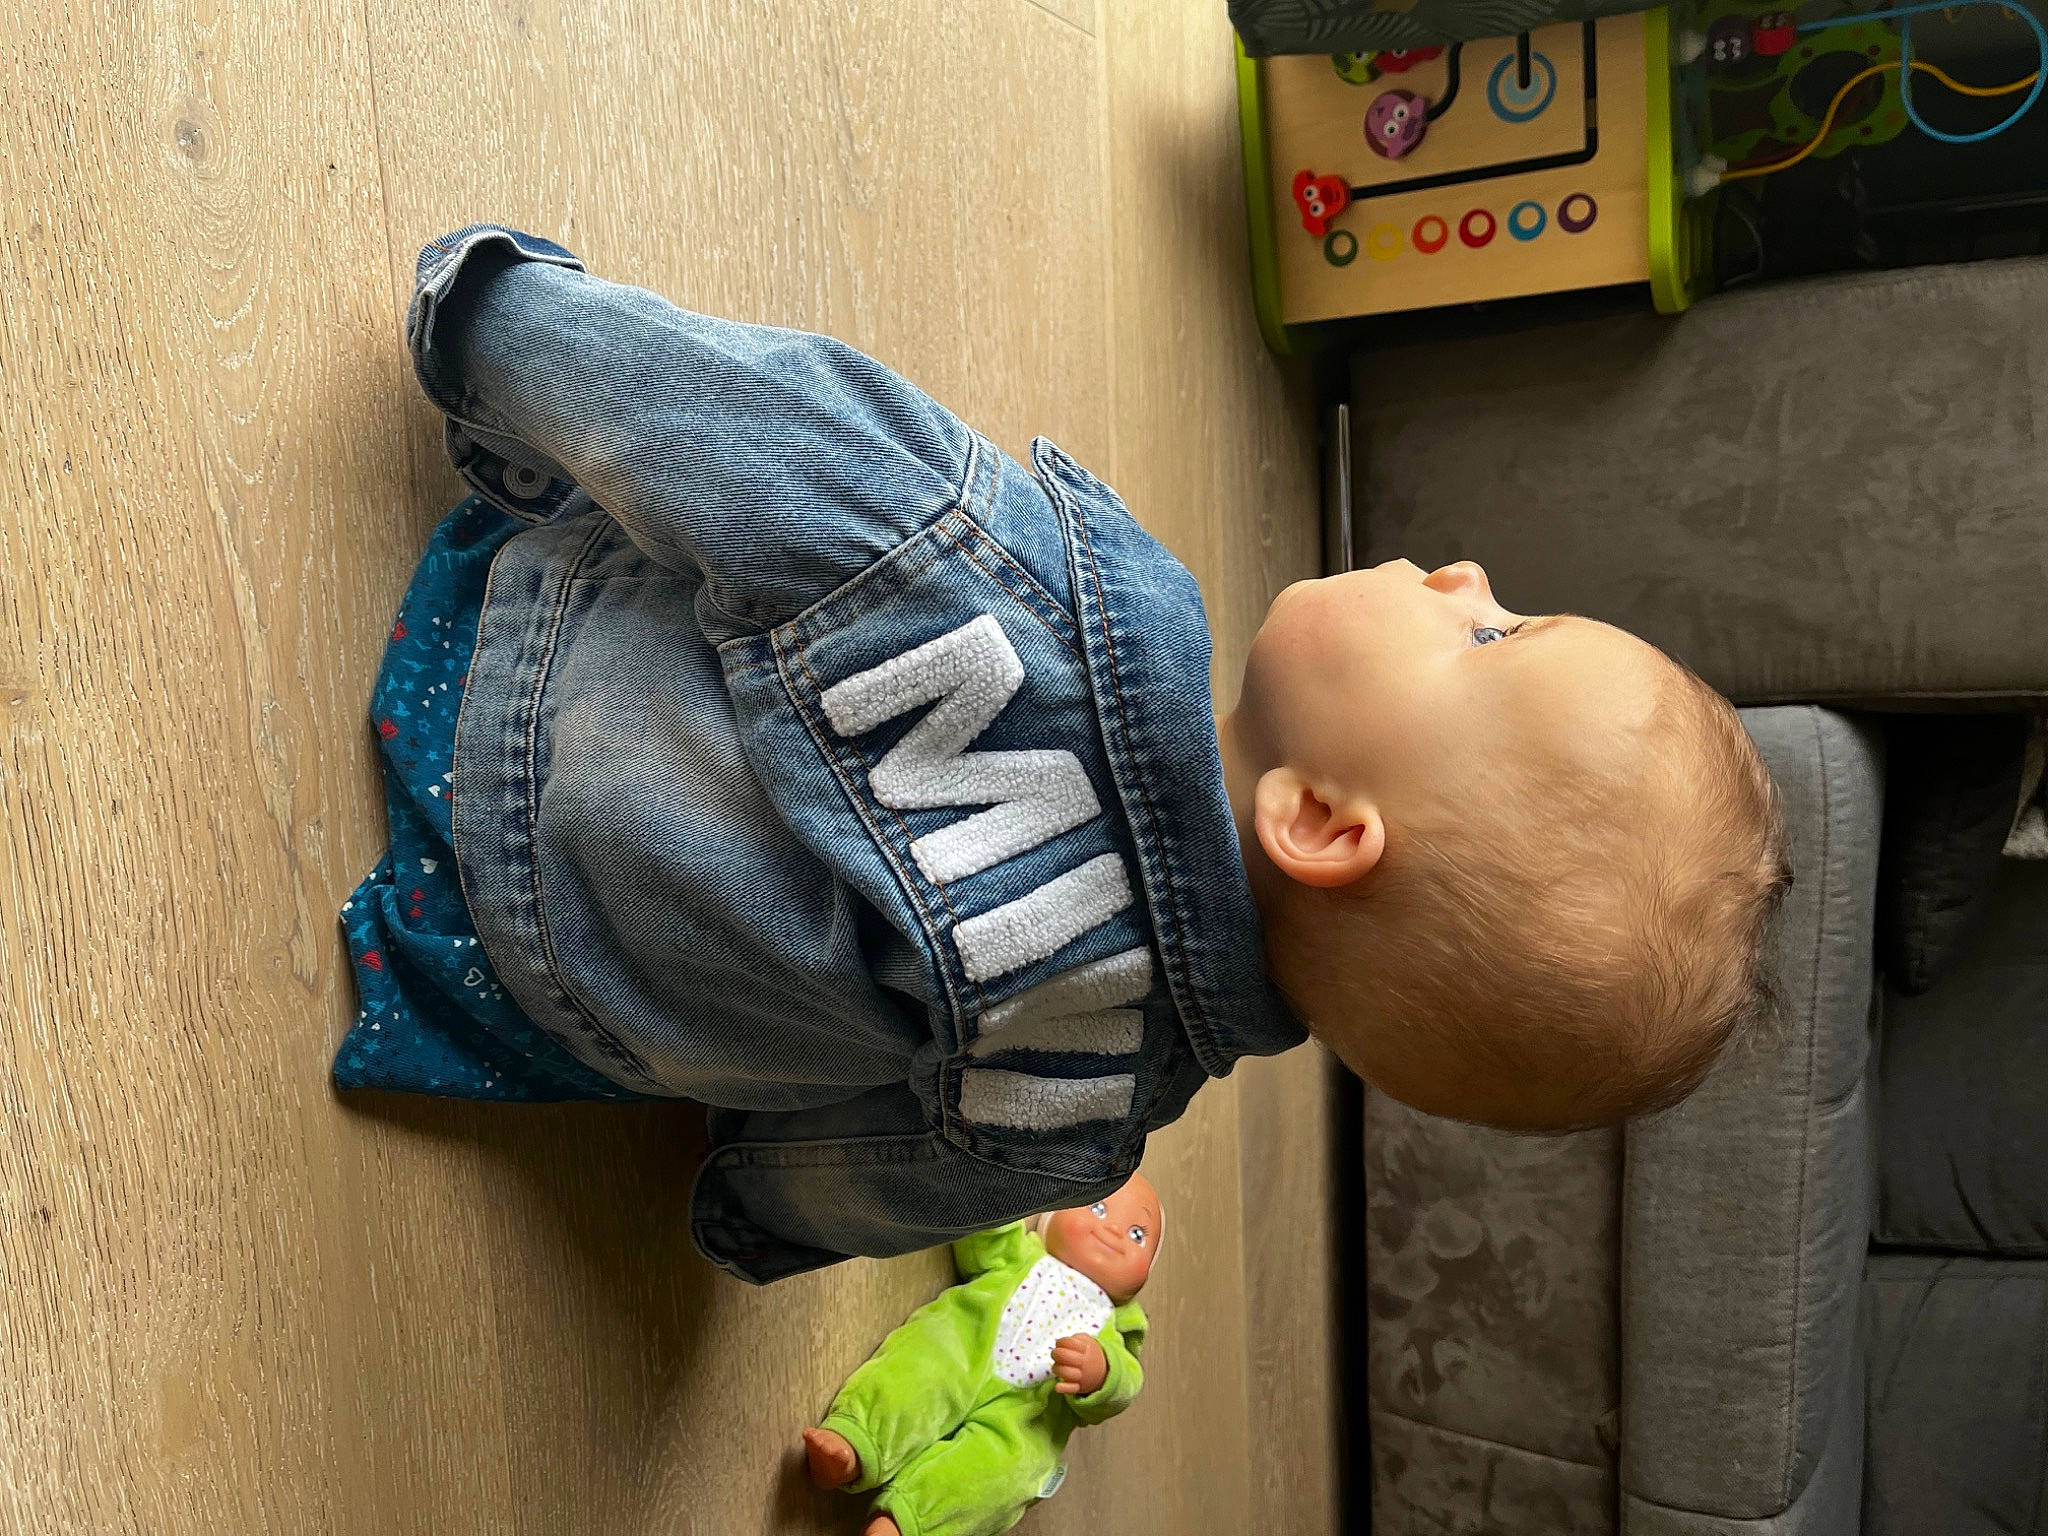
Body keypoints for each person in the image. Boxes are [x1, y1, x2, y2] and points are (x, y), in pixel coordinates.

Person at [334, 226, 1791, 1283]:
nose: (1469, 575)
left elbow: (740, 430)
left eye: (1494, 638)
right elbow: (836, 1184)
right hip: (516, 996)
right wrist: (741, 1206)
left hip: (504, 681)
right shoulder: (1086, 1121)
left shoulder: (1007, 599)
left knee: (822, 496)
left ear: (1327, 825)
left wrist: (495, 321)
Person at [800, 1176, 1162, 1536]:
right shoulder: (1021, 1255)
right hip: (963, 1348)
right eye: (1098, 1208)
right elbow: (985, 1241)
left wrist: (1101, 1372)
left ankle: (905, 1524)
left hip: (1027, 1421)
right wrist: (996, 1198)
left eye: (1137, 1236)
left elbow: (1126, 1384)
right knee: (917, 1375)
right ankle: (853, 1442)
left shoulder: (1115, 1334)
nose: (1113, 1232)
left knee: (995, 1474)